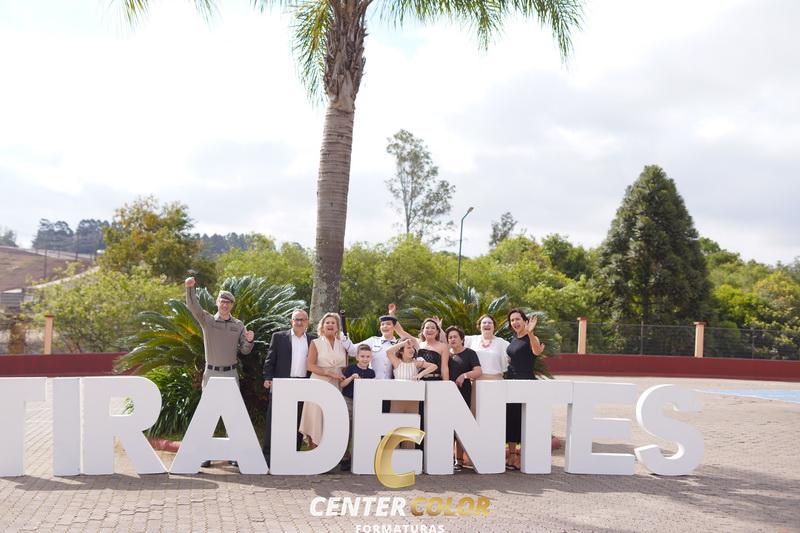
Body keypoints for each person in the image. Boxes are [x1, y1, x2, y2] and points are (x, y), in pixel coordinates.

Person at [185, 276, 254, 468]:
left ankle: (234, 454)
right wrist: (190, 289)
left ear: (232, 305)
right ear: (217, 303)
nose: (225, 305)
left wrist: (249, 341)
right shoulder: (207, 320)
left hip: (231, 373)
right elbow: (193, 307)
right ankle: (204, 454)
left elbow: (244, 351)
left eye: (228, 302)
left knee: (233, 413)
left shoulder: (238, 325)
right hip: (211, 373)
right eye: (222, 302)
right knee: (207, 414)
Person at [261, 309, 316, 464]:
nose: (299, 322)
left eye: (302, 319)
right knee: (274, 419)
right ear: (291, 321)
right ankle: (268, 456)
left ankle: (293, 455)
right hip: (282, 383)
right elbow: (270, 360)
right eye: (296, 319)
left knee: (298, 420)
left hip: (303, 384)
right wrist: (268, 377)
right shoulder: (279, 337)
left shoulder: (313, 340)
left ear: (307, 322)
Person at [299, 312, 348, 448]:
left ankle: (330, 452)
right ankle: (314, 453)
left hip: (336, 386)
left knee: (331, 420)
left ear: (337, 327)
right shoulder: (315, 343)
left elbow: (345, 367)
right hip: (318, 384)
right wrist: (329, 373)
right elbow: (310, 365)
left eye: (333, 323)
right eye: (327, 322)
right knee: (316, 419)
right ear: (322, 326)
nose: (330, 325)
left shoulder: (343, 344)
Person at [505, 308, 545, 470]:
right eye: (512, 320)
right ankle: (512, 455)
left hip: (526, 381)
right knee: (511, 417)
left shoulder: (531, 337)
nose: (515, 322)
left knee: (524, 419)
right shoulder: (513, 339)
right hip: (511, 381)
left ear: (525, 321)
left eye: (518, 319)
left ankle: (523, 457)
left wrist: (530, 333)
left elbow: (536, 351)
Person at [386, 338, 437, 448]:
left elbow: (434, 366)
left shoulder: (416, 363)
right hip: (397, 401)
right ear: (401, 351)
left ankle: (409, 456)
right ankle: (393, 455)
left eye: (413, 347)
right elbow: (388, 352)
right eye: (408, 347)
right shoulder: (397, 362)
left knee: (410, 431)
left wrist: (420, 374)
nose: (412, 350)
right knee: (395, 429)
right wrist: (403, 343)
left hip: (413, 401)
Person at [445, 325, 482, 469]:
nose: (452, 339)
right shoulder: (446, 355)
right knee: (448, 426)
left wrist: (464, 375)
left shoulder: (470, 353)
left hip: (464, 392)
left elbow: (478, 371)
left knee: (461, 425)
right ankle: (448, 457)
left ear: (462, 339)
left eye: (455, 337)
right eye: (450, 337)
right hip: (447, 395)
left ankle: (459, 460)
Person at [338, 344, 376, 471]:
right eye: (362, 356)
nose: (365, 359)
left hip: (363, 404)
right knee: (347, 429)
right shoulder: (351, 369)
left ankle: (358, 456)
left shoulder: (371, 373)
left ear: (371, 358)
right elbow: (342, 384)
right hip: (349, 401)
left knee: (359, 430)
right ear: (357, 357)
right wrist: (352, 377)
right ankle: (344, 458)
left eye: (368, 357)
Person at [464, 314, 509, 415]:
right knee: (477, 412)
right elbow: (452, 339)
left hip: (497, 382)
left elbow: (516, 353)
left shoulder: (502, 343)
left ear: (494, 326)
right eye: (484, 322)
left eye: (490, 322)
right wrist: (439, 329)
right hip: (477, 383)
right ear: (479, 326)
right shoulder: (471, 340)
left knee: (496, 412)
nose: (487, 324)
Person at [356, 303, 414, 381]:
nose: (385, 326)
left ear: (394, 327)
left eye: (388, 324)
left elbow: (402, 333)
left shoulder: (399, 344)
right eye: (382, 324)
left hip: (391, 382)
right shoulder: (373, 340)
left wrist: (391, 314)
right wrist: (344, 338)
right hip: (372, 381)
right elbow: (353, 349)